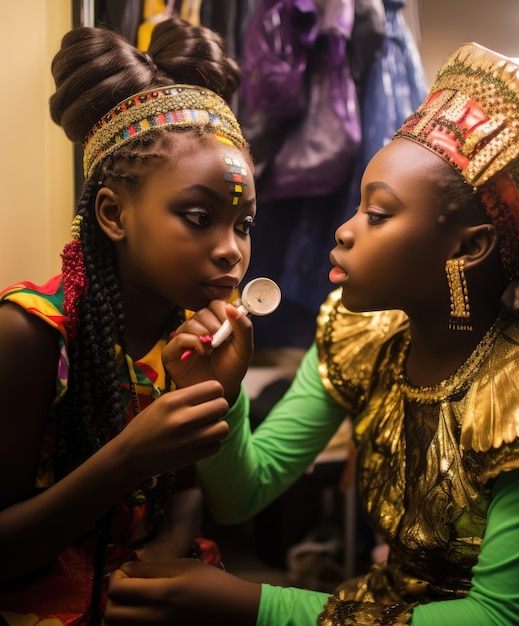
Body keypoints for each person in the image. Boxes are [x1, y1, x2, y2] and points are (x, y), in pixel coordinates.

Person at [103, 43, 519, 625]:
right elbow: (244, 493)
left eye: (377, 214)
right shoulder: (362, 335)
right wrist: (223, 395)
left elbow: (504, 620)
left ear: (468, 247)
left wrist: (257, 604)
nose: (344, 230)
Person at [0, 17, 256, 625]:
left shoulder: (196, 336)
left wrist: (216, 394)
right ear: (114, 214)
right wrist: (131, 456)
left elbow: (188, 497)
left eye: (243, 224)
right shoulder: (31, 333)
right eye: (199, 217)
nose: (232, 250)